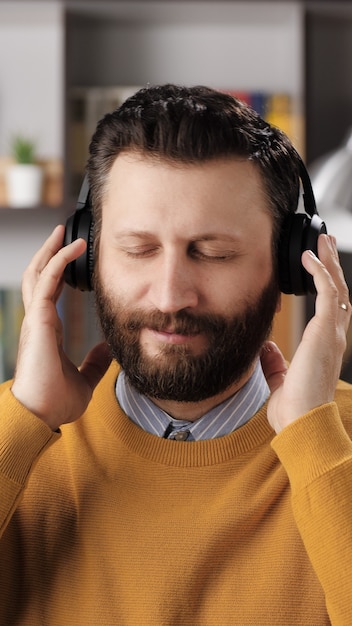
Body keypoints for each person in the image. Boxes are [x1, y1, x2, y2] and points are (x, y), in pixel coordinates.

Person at [0, 84, 351, 626]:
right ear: (84, 258)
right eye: (138, 250)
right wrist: (24, 421)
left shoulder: (335, 446)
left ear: (291, 266)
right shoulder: (13, 442)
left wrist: (313, 438)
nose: (170, 296)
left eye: (213, 253)